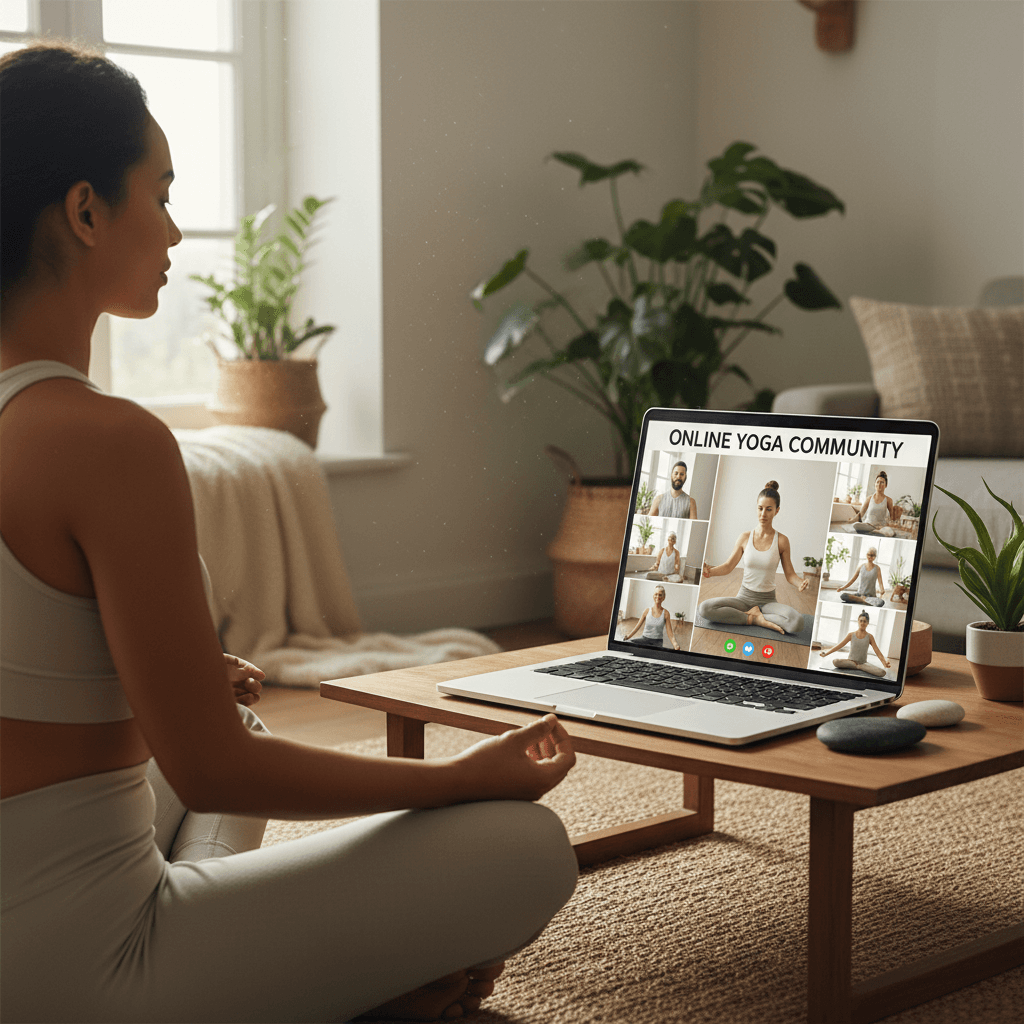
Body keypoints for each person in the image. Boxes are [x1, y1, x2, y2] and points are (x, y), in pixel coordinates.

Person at [0, 43, 578, 1024]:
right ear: (88, 209)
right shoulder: (107, 439)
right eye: (163, 191)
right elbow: (213, 769)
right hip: (81, 970)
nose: (177, 227)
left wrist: (177, 683)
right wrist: (451, 778)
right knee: (526, 846)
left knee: (246, 719)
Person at [697, 481, 808, 636]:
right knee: (705, 608)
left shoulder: (782, 540)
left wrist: (800, 583)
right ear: (756, 507)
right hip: (743, 599)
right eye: (760, 508)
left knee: (797, 622)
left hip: (768, 601)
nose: (763, 514)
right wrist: (710, 572)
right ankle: (754, 619)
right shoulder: (745, 537)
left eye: (769, 509)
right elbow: (729, 566)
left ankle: (753, 616)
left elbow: (790, 574)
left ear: (777, 511)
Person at [818, 611, 890, 677]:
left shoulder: (870, 637)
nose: (862, 623)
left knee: (882, 672)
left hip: (863, 664)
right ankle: (856, 666)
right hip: (850, 662)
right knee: (835, 662)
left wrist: (884, 662)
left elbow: (877, 650)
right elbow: (839, 646)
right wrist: (826, 654)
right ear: (858, 621)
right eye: (861, 621)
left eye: (864, 621)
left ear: (867, 623)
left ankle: (859, 667)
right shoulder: (851, 635)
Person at [620, 585, 682, 650]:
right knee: (627, 644)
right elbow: (637, 627)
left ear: (663, 597)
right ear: (653, 596)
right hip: (644, 639)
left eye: (660, 595)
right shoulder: (647, 611)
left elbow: (670, 633)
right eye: (656, 594)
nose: (658, 597)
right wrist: (628, 637)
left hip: (657, 642)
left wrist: (675, 645)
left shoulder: (666, 613)